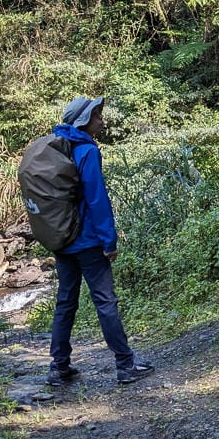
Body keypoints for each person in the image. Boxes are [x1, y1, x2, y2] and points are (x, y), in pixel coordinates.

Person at [46, 95, 154, 386]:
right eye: (97, 115)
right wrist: (110, 240)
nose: (101, 120)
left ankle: (59, 367)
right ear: (84, 121)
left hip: (62, 239)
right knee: (105, 301)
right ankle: (125, 364)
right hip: (88, 241)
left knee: (65, 302)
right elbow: (96, 198)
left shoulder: (58, 147)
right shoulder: (86, 151)